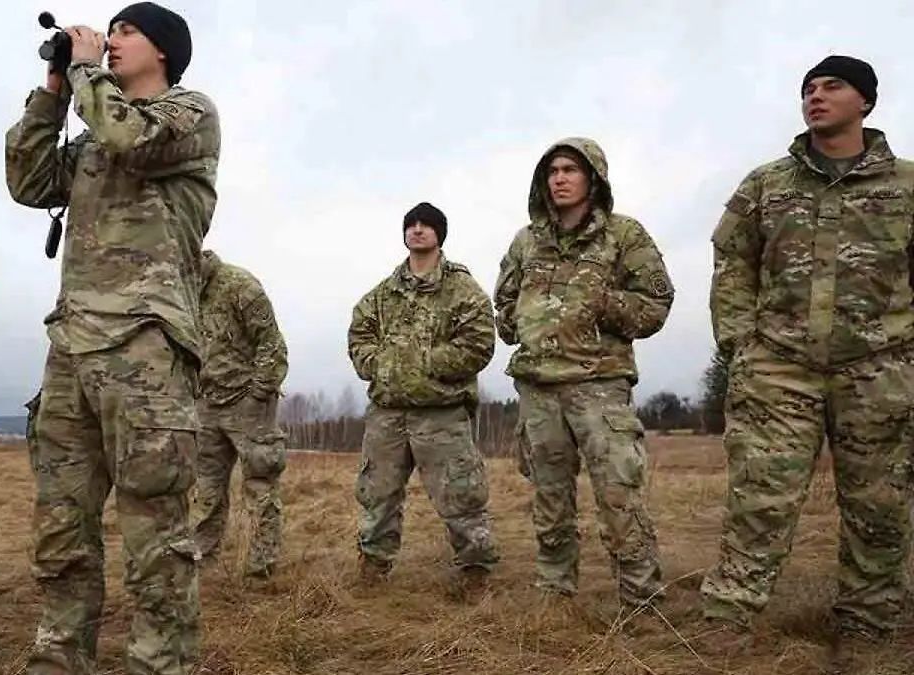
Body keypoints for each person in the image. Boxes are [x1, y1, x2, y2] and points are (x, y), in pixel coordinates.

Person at [3, 2, 220, 674]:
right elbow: (27, 182)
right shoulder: (94, 131)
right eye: (111, 31)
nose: (112, 39)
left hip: (145, 345)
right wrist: (51, 93)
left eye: (127, 31)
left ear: (164, 50)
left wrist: (85, 71)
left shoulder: (189, 113)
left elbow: (133, 140)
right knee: (61, 525)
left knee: (155, 533)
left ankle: (161, 663)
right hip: (72, 346)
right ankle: (59, 658)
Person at [697, 54, 914, 672]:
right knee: (759, 498)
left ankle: (867, 625)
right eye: (808, 89)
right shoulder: (766, 184)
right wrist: (740, 344)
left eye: (832, 86)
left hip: (880, 371)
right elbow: (732, 262)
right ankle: (729, 616)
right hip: (779, 368)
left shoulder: (907, 185)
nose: (815, 96)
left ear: (865, 101)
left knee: (879, 505)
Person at [492, 138, 673, 617]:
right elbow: (504, 300)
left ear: (593, 178)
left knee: (618, 493)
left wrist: (601, 304)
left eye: (570, 169)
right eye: (552, 171)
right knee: (550, 497)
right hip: (538, 387)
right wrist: (519, 321)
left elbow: (656, 304)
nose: (560, 178)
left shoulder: (623, 235)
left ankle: (641, 599)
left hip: (600, 386)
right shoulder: (526, 241)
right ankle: (555, 593)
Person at [346, 201, 499, 595]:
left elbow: (479, 343)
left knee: (461, 495)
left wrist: (424, 364)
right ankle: (373, 567)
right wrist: (381, 366)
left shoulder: (462, 289)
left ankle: (475, 571)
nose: (417, 229)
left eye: (426, 224)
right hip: (388, 413)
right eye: (411, 224)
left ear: (439, 234)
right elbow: (359, 335)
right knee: (377, 493)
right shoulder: (383, 294)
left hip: (441, 413)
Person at [191, 249, 289, 579]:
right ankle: (201, 562)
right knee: (205, 487)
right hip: (205, 403)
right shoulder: (179, 290)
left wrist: (258, 393)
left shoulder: (240, 285)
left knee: (260, 483)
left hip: (247, 402)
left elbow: (272, 344)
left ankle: (261, 568)